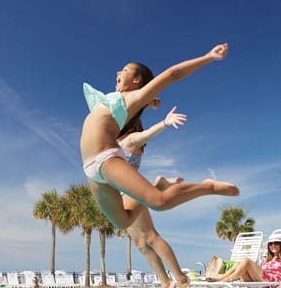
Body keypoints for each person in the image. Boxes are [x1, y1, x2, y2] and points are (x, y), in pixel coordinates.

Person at [80, 43, 239, 230]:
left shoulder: (131, 98)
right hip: (90, 171)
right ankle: (160, 186)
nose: (118, 73)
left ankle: (208, 187)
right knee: (123, 222)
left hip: (105, 159)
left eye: (124, 70)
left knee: (160, 202)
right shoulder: (115, 100)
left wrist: (209, 56)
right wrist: (149, 104)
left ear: (137, 80)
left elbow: (172, 74)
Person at [118, 105, 191, 288]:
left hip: (131, 191)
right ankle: (166, 283)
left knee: (151, 236)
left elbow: (146, 135)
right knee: (141, 243)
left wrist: (165, 123)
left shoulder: (130, 140)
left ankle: (180, 277)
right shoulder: (114, 142)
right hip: (121, 195)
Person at [207, 235, 281, 288]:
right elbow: (257, 271)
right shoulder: (266, 260)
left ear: (280, 245)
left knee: (246, 260)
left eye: (276, 243)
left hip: (271, 283)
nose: (273, 245)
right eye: (270, 244)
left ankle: (223, 280)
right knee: (238, 263)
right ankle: (222, 279)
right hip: (258, 283)